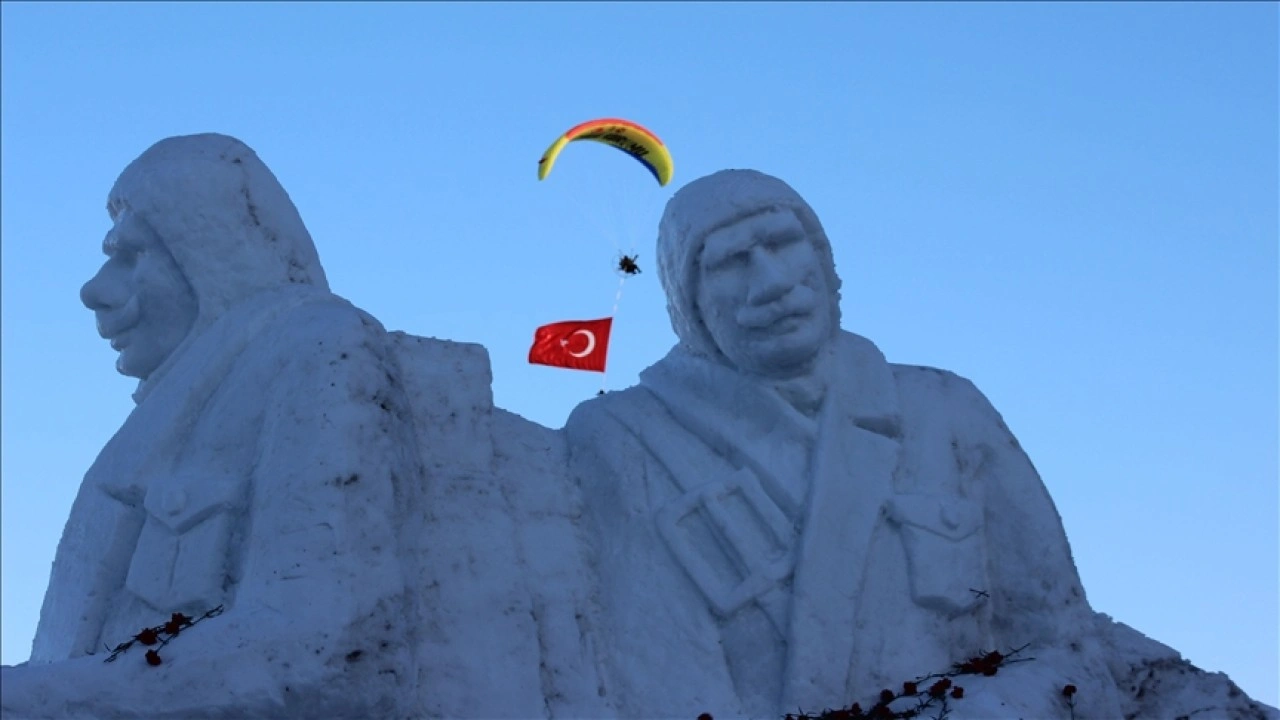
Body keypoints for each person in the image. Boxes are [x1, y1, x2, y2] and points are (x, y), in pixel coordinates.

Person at [565, 169, 1128, 719]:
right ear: (689, 304)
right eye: (732, 263)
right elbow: (662, 684)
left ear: (823, 261)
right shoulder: (629, 437)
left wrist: (997, 706)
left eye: (784, 245)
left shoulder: (945, 409)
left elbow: (1066, 643)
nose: (773, 282)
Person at [3, 133, 419, 718]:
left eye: (132, 254)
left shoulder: (318, 349)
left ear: (207, 259)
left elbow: (326, 650)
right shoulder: (166, 425)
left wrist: (33, 701)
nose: (95, 291)